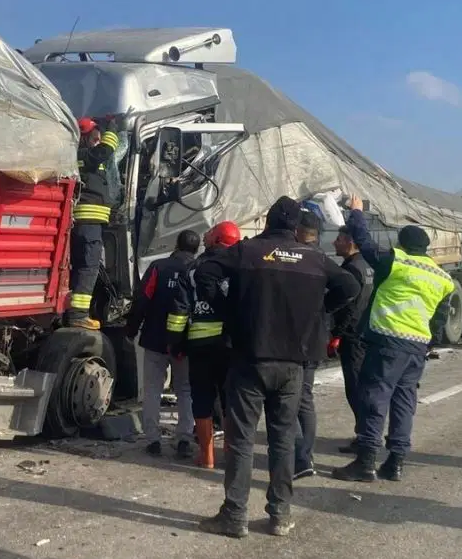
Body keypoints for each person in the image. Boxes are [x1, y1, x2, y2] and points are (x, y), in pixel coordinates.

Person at [195, 197, 359, 537]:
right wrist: (318, 314)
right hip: (293, 364)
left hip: (249, 358)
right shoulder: (313, 258)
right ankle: (280, 514)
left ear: (268, 222)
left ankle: (235, 514)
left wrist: (229, 311)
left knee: (241, 440)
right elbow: (350, 286)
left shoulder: (247, 251)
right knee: (282, 439)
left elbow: (205, 272)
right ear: (296, 228)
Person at [332, 195, 454, 483]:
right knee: (404, 402)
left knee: (374, 399)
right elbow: (439, 318)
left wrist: (356, 212)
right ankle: (395, 462)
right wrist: (428, 345)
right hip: (416, 347)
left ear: (403, 244)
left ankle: (365, 462)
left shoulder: (395, 263)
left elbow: (363, 241)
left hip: (388, 341)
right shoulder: (442, 277)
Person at [169, 220, 242, 469]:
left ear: (216, 239)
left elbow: (179, 310)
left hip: (199, 345)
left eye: (211, 233)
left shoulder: (193, 268)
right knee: (230, 400)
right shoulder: (241, 267)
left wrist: (176, 343)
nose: (206, 235)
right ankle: (232, 455)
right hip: (231, 345)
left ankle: (207, 457)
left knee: (201, 399)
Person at [125, 230, 199, 458]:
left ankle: (153, 440)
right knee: (185, 389)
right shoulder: (198, 269)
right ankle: (184, 438)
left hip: (155, 339)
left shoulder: (158, 267)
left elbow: (142, 299)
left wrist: (131, 329)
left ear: (176, 245)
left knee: (153, 389)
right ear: (196, 249)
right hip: (185, 342)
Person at [66, 116, 121, 329]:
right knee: (88, 267)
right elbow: (104, 152)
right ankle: (78, 315)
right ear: (83, 138)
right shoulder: (81, 156)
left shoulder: (88, 158)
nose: (97, 143)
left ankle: (72, 312)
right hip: (87, 222)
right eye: (95, 139)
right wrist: (112, 129)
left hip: (89, 223)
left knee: (81, 267)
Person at [331, 222, 375, 455]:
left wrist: (337, 334)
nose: (334, 243)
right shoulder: (367, 265)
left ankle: (365, 437)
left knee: (355, 387)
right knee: (363, 386)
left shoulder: (351, 269)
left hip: (352, 336)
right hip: (366, 333)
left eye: (339, 239)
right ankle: (366, 433)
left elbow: (350, 309)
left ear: (350, 242)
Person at [293, 210, 326, 480]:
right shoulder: (323, 259)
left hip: (293, 340)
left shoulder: (297, 258)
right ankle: (306, 455)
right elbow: (348, 288)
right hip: (315, 338)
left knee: (287, 399)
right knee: (305, 398)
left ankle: (300, 458)